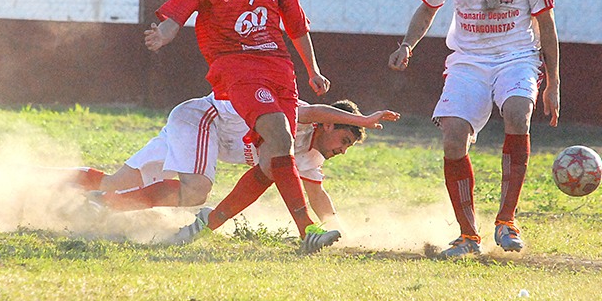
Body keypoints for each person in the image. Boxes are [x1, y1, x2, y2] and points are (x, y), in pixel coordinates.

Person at [143, 0, 338, 253]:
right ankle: (307, 229)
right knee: (279, 135)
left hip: (279, 68)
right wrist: (164, 34)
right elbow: (177, 13)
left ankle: (206, 224)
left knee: (272, 160)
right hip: (237, 69)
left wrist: (313, 69)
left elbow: (296, 26)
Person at [388, 0, 560, 258]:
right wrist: (407, 44)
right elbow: (427, 7)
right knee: (453, 138)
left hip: (517, 56)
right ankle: (469, 236)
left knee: (518, 113)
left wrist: (554, 84)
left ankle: (506, 220)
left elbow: (546, 25)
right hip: (468, 60)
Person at [69, 95, 399, 251]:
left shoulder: (311, 155)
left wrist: (339, 229)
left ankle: (96, 199)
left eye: (348, 147)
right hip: (202, 119)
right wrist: (363, 119)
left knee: (117, 183)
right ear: (327, 124)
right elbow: (310, 108)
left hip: (202, 136)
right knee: (196, 192)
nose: (342, 149)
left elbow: (317, 195)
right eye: (343, 139)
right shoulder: (296, 116)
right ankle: (82, 194)